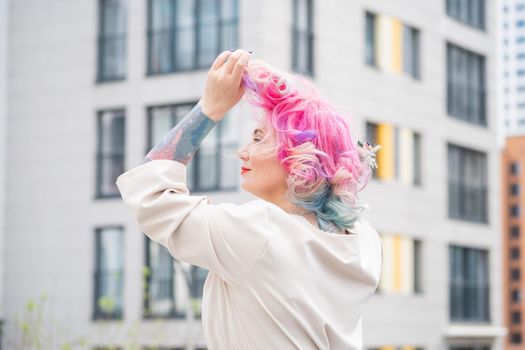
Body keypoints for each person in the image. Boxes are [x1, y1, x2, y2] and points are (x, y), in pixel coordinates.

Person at [116, 48, 383, 350]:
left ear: (299, 159)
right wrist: (285, 93)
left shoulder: (260, 232)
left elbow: (151, 193)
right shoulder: (364, 242)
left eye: (257, 138)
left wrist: (210, 108)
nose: (243, 151)